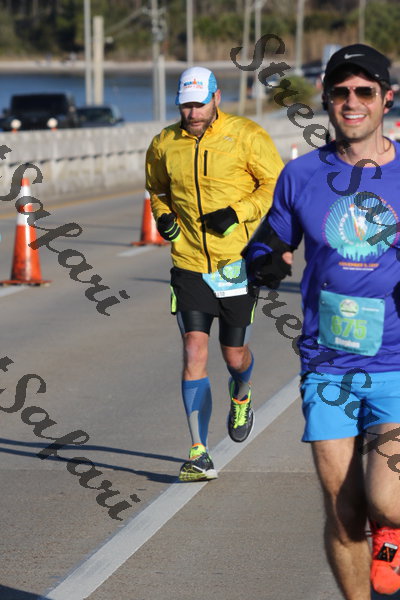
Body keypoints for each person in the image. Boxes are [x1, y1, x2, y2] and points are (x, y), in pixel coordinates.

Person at [244, 44, 400, 598]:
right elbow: (271, 240)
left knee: (387, 500)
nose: (351, 102)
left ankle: (391, 530)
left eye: (364, 91)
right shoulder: (302, 175)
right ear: (327, 99)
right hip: (328, 366)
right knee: (343, 510)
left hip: (396, 363)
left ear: (386, 98)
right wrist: (263, 258)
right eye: (340, 91)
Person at [146, 66, 283, 482]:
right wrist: (164, 216)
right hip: (188, 264)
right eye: (185, 105)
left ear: (216, 98)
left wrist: (237, 212)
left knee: (233, 355)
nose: (192, 112)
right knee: (194, 350)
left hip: (235, 264)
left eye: (199, 104)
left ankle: (241, 392)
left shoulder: (247, 135)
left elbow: (275, 185)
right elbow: (157, 189)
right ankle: (198, 452)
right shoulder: (164, 143)